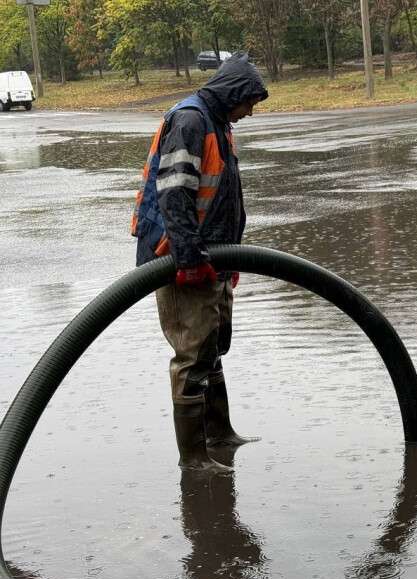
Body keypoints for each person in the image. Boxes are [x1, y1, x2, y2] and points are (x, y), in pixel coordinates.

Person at [130, 53, 268, 472]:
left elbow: (221, 199)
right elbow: (175, 194)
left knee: (211, 346)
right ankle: (193, 458)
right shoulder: (191, 121)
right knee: (192, 354)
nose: (250, 112)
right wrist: (188, 258)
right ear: (234, 94)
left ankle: (219, 432)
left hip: (213, 256)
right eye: (249, 103)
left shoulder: (218, 123)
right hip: (178, 257)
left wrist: (230, 260)